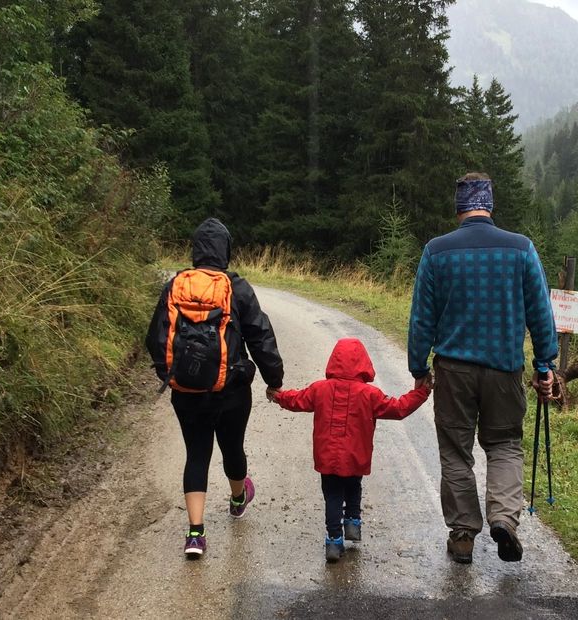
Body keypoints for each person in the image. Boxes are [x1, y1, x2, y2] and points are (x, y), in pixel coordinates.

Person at [407, 172, 558, 564]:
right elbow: (541, 314)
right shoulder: (521, 249)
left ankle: (462, 535)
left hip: (454, 371)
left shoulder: (436, 252)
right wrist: (546, 365)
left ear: (458, 206)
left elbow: (422, 318)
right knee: (505, 444)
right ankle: (504, 519)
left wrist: (418, 366)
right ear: (489, 203)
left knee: (456, 452)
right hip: (505, 369)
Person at [146, 218, 285, 559]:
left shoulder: (175, 285)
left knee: (196, 454)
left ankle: (195, 533)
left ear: (195, 250)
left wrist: (172, 374)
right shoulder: (236, 287)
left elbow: (155, 338)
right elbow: (260, 336)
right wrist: (274, 380)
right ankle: (238, 499)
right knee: (232, 447)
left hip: (186, 392)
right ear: (226, 250)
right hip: (232, 390)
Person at [270, 338, 431, 563]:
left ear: (334, 361)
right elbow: (398, 408)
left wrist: (278, 396)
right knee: (354, 485)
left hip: (327, 457)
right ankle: (353, 522)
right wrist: (421, 393)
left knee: (333, 495)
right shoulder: (370, 394)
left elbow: (297, 400)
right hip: (356, 456)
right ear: (364, 363)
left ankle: (334, 540)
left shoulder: (320, 389)